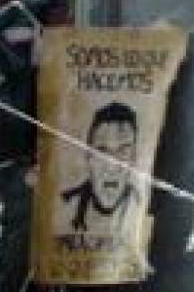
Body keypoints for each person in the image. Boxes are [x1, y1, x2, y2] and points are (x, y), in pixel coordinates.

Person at [60, 102, 140, 245]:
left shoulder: (141, 206)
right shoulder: (63, 206)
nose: (112, 166)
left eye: (123, 152)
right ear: (88, 158)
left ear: (134, 159)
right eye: (102, 151)